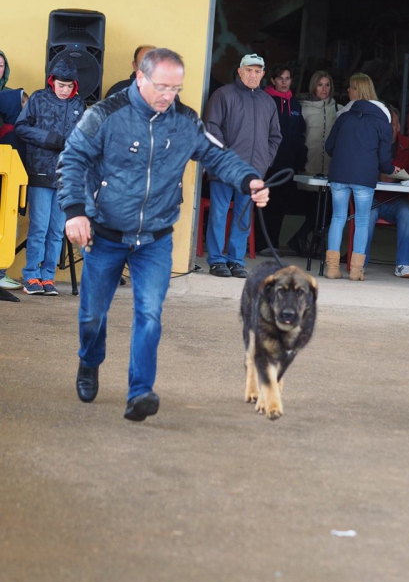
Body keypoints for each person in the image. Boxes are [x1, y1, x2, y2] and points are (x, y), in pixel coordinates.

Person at [56, 48, 268, 422]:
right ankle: (89, 361)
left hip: (154, 238)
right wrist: (75, 212)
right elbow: (72, 159)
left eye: (176, 88)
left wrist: (249, 178)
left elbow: (218, 155)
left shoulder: (185, 121)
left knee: (150, 315)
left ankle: (140, 392)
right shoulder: (106, 114)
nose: (169, 96)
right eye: (162, 86)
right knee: (92, 315)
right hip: (104, 233)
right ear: (140, 77)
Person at [203, 53, 282, 278]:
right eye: (249, 70)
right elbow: (211, 129)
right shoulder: (223, 95)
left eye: (258, 71)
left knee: (243, 216)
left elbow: (275, 136)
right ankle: (217, 260)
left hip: (253, 171)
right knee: (219, 213)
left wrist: (265, 162)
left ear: (263, 75)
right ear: (239, 71)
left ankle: (236, 260)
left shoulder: (268, 101)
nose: (253, 75)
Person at [15, 58, 86, 295]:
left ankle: (48, 277)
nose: (64, 90)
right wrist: (51, 139)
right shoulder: (37, 98)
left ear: (74, 86)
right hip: (40, 171)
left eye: (69, 86)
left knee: (57, 230)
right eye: (60, 85)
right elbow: (21, 127)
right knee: (39, 227)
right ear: (52, 82)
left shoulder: (79, 104)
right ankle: (31, 276)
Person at [324, 72, 398, 280]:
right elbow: (384, 158)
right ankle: (356, 271)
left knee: (338, 218)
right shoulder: (382, 122)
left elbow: (329, 147)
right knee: (363, 221)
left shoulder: (344, 117)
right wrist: (390, 170)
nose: (347, 90)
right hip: (364, 177)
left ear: (359, 90)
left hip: (338, 174)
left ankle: (331, 268)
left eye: (350, 87)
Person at [287, 71, 342, 257]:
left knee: (327, 212)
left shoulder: (338, 109)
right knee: (315, 211)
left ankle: (311, 243)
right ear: (313, 86)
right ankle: (303, 239)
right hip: (309, 165)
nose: (324, 89)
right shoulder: (303, 107)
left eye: (327, 85)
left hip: (330, 168)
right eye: (320, 85)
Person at [254, 64, 307, 256]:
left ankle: (273, 243)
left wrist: (300, 159)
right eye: (280, 78)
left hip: (288, 164)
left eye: (288, 78)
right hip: (268, 163)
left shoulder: (295, 104)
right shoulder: (265, 100)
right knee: (265, 205)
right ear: (273, 80)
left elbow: (300, 133)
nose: (284, 82)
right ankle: (261, 243)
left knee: (280, 206)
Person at [365, 105, 409, 278]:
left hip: (397, 199)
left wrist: (398, 177)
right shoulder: (372, 142)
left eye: (392, 124)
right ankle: (360, 262)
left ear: (399, 126)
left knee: (408, 214)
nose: (388, 129)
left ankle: (403, 265)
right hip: (374, 197)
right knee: (367, 214)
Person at [0, 50, 25, 291]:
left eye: (0, 65)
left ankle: (0, 271)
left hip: (7, 170)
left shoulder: (13, 97)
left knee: (7, 220)